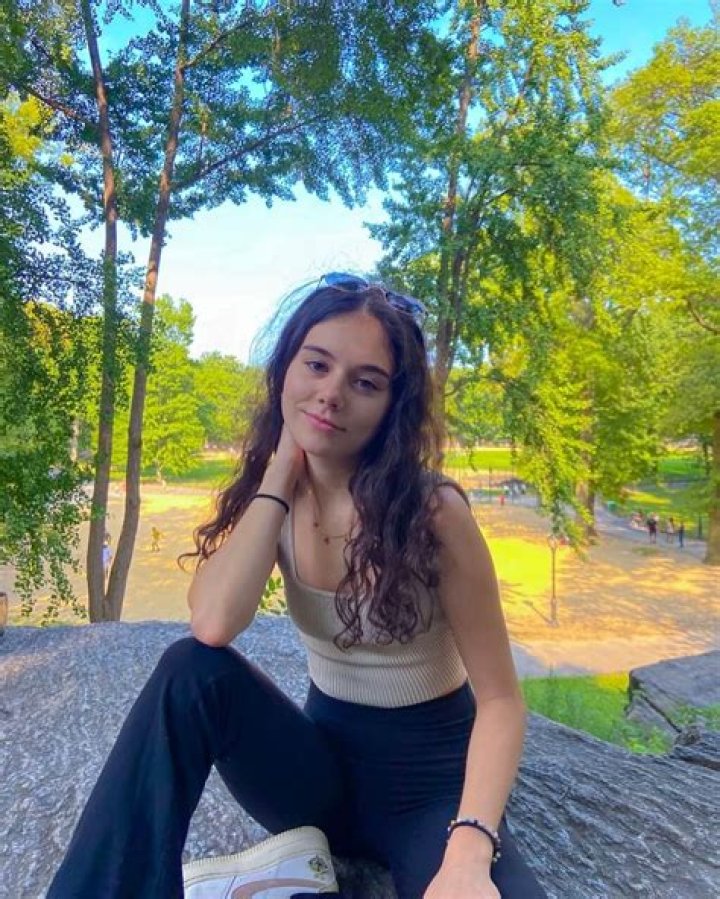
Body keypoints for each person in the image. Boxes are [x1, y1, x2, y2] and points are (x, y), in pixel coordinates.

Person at [48, 274, 545, 899]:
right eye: (316, 364)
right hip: (317, 779)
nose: (331, 393)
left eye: (365, 382)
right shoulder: (273, 495)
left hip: (430, 790)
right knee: (189, 670)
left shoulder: (432, 513)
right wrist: (280, 473)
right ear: (285, 367)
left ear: (393, 406)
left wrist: (470, 850)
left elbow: (501, 700)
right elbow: (213, 625)